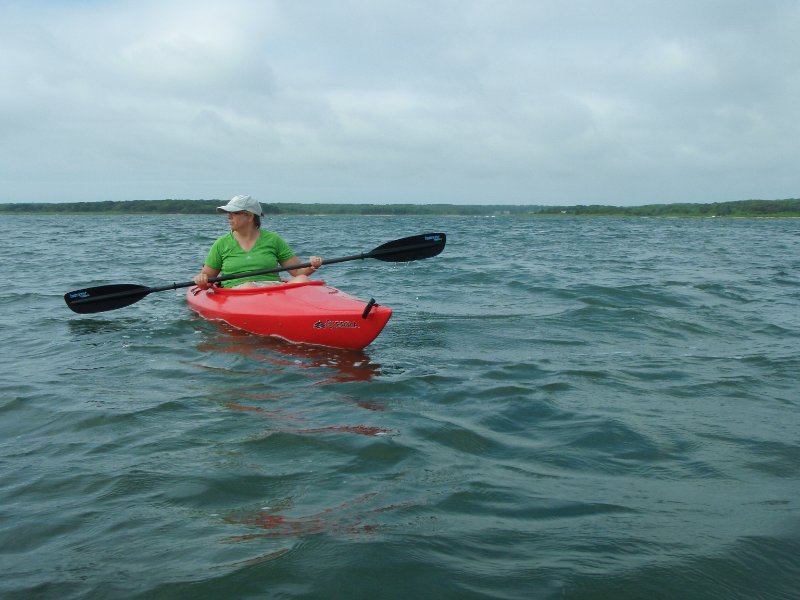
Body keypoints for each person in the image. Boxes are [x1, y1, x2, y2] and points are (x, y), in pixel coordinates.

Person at [193, 195, 323, 289]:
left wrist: (312, 265)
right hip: (238, 291)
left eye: (234, 212)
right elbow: (208, 277)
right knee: (248, 286)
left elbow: (297, 272)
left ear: (250, 216)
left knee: (302, 279)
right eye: (228, 213)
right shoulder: (221, 243)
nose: (229, 216)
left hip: (272, 289)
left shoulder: (273, 239)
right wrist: (202, 279)